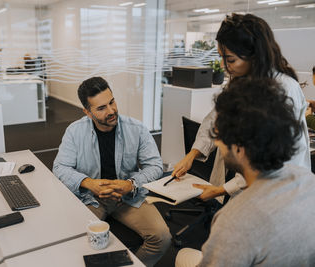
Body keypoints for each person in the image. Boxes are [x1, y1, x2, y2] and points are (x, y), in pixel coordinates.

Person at [175, 77, 315, 267]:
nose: (216, 142)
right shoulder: (309, 182)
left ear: (239, 147)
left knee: (183, 255)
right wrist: (193, 154)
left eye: (219, 135)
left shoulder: (234, 220)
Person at [172, 13, 310, 201]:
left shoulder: (284, 90)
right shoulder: (242, 81)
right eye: (222, 58)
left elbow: (268, 159)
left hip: (275, 191)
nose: (224, 66)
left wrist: (224, 189)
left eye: (230, 59)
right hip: (243, 182)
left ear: (255, 56)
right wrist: (192, 154)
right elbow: (214, 119)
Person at [53, 77, 171, 267]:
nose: (111, 111)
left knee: (162, 237)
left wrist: (131, 184)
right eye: (101, 108)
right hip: (92, 198)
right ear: (87, 112)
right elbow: (59, 167)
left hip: (128, 197)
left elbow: (155, 166)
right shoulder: (74, 132)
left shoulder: (137, 129)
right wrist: (89, 183)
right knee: (73, 241)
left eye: (112, 102)